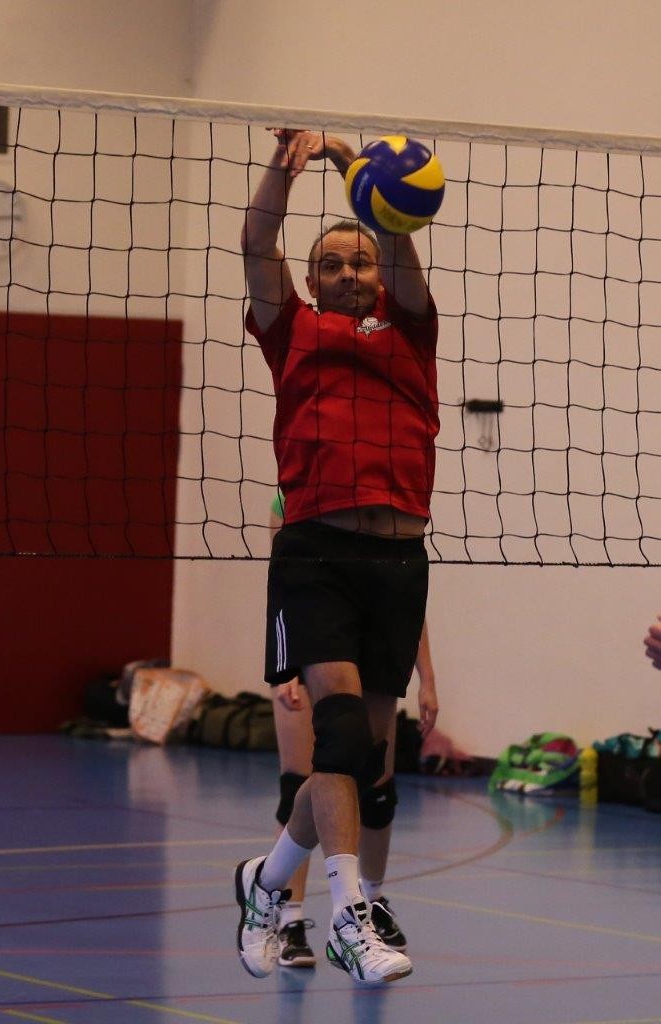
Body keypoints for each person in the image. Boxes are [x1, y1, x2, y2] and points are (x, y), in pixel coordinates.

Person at [235, 127, 440, 986]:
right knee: (343, 732)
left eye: (361, 261)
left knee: (366, 763)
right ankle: (351, 917)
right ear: (313, 281)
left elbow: (399, 233)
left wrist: (355, 161)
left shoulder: (412, 331)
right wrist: (288, 167)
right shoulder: (293, 330)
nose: (350, 271)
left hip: (398, 559)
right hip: (316, 551)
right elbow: (257, 244)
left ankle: (266, 880)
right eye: (332, 264)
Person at [269, 495, 439, 969]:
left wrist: (427, 677)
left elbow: (408, 603)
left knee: (372, 782)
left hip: (370, 648)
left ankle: (371, 898)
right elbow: (284, 578)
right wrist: (286, 667)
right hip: (313, 643)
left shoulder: (394, 502)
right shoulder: (296, 495)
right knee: (299, 782)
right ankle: (289, 916)